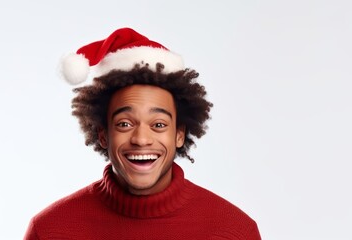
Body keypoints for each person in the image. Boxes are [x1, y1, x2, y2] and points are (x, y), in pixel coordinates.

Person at [24, 27, 261, 240]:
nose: (141, 139)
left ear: (179, 134)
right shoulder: (50, 231)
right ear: (103, 134)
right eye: (125, 124)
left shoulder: (235, 231)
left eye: (158, 125)